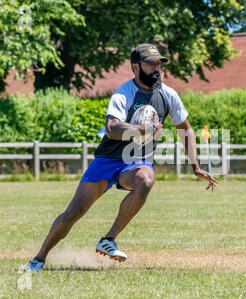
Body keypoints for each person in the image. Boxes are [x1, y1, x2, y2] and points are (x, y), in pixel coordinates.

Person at [26, 43, 219, 271]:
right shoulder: (124, 92)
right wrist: (142, 129)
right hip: (108, 160)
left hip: (136, 162)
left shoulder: (168, 95)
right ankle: (38, 259)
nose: (157, 68)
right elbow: (112, 128)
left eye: (159, 63)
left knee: (146, 179)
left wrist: (195, 165)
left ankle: (108, 239)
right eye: (151, 64)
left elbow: (185, 129)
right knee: (74, 212)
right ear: (135, 66)